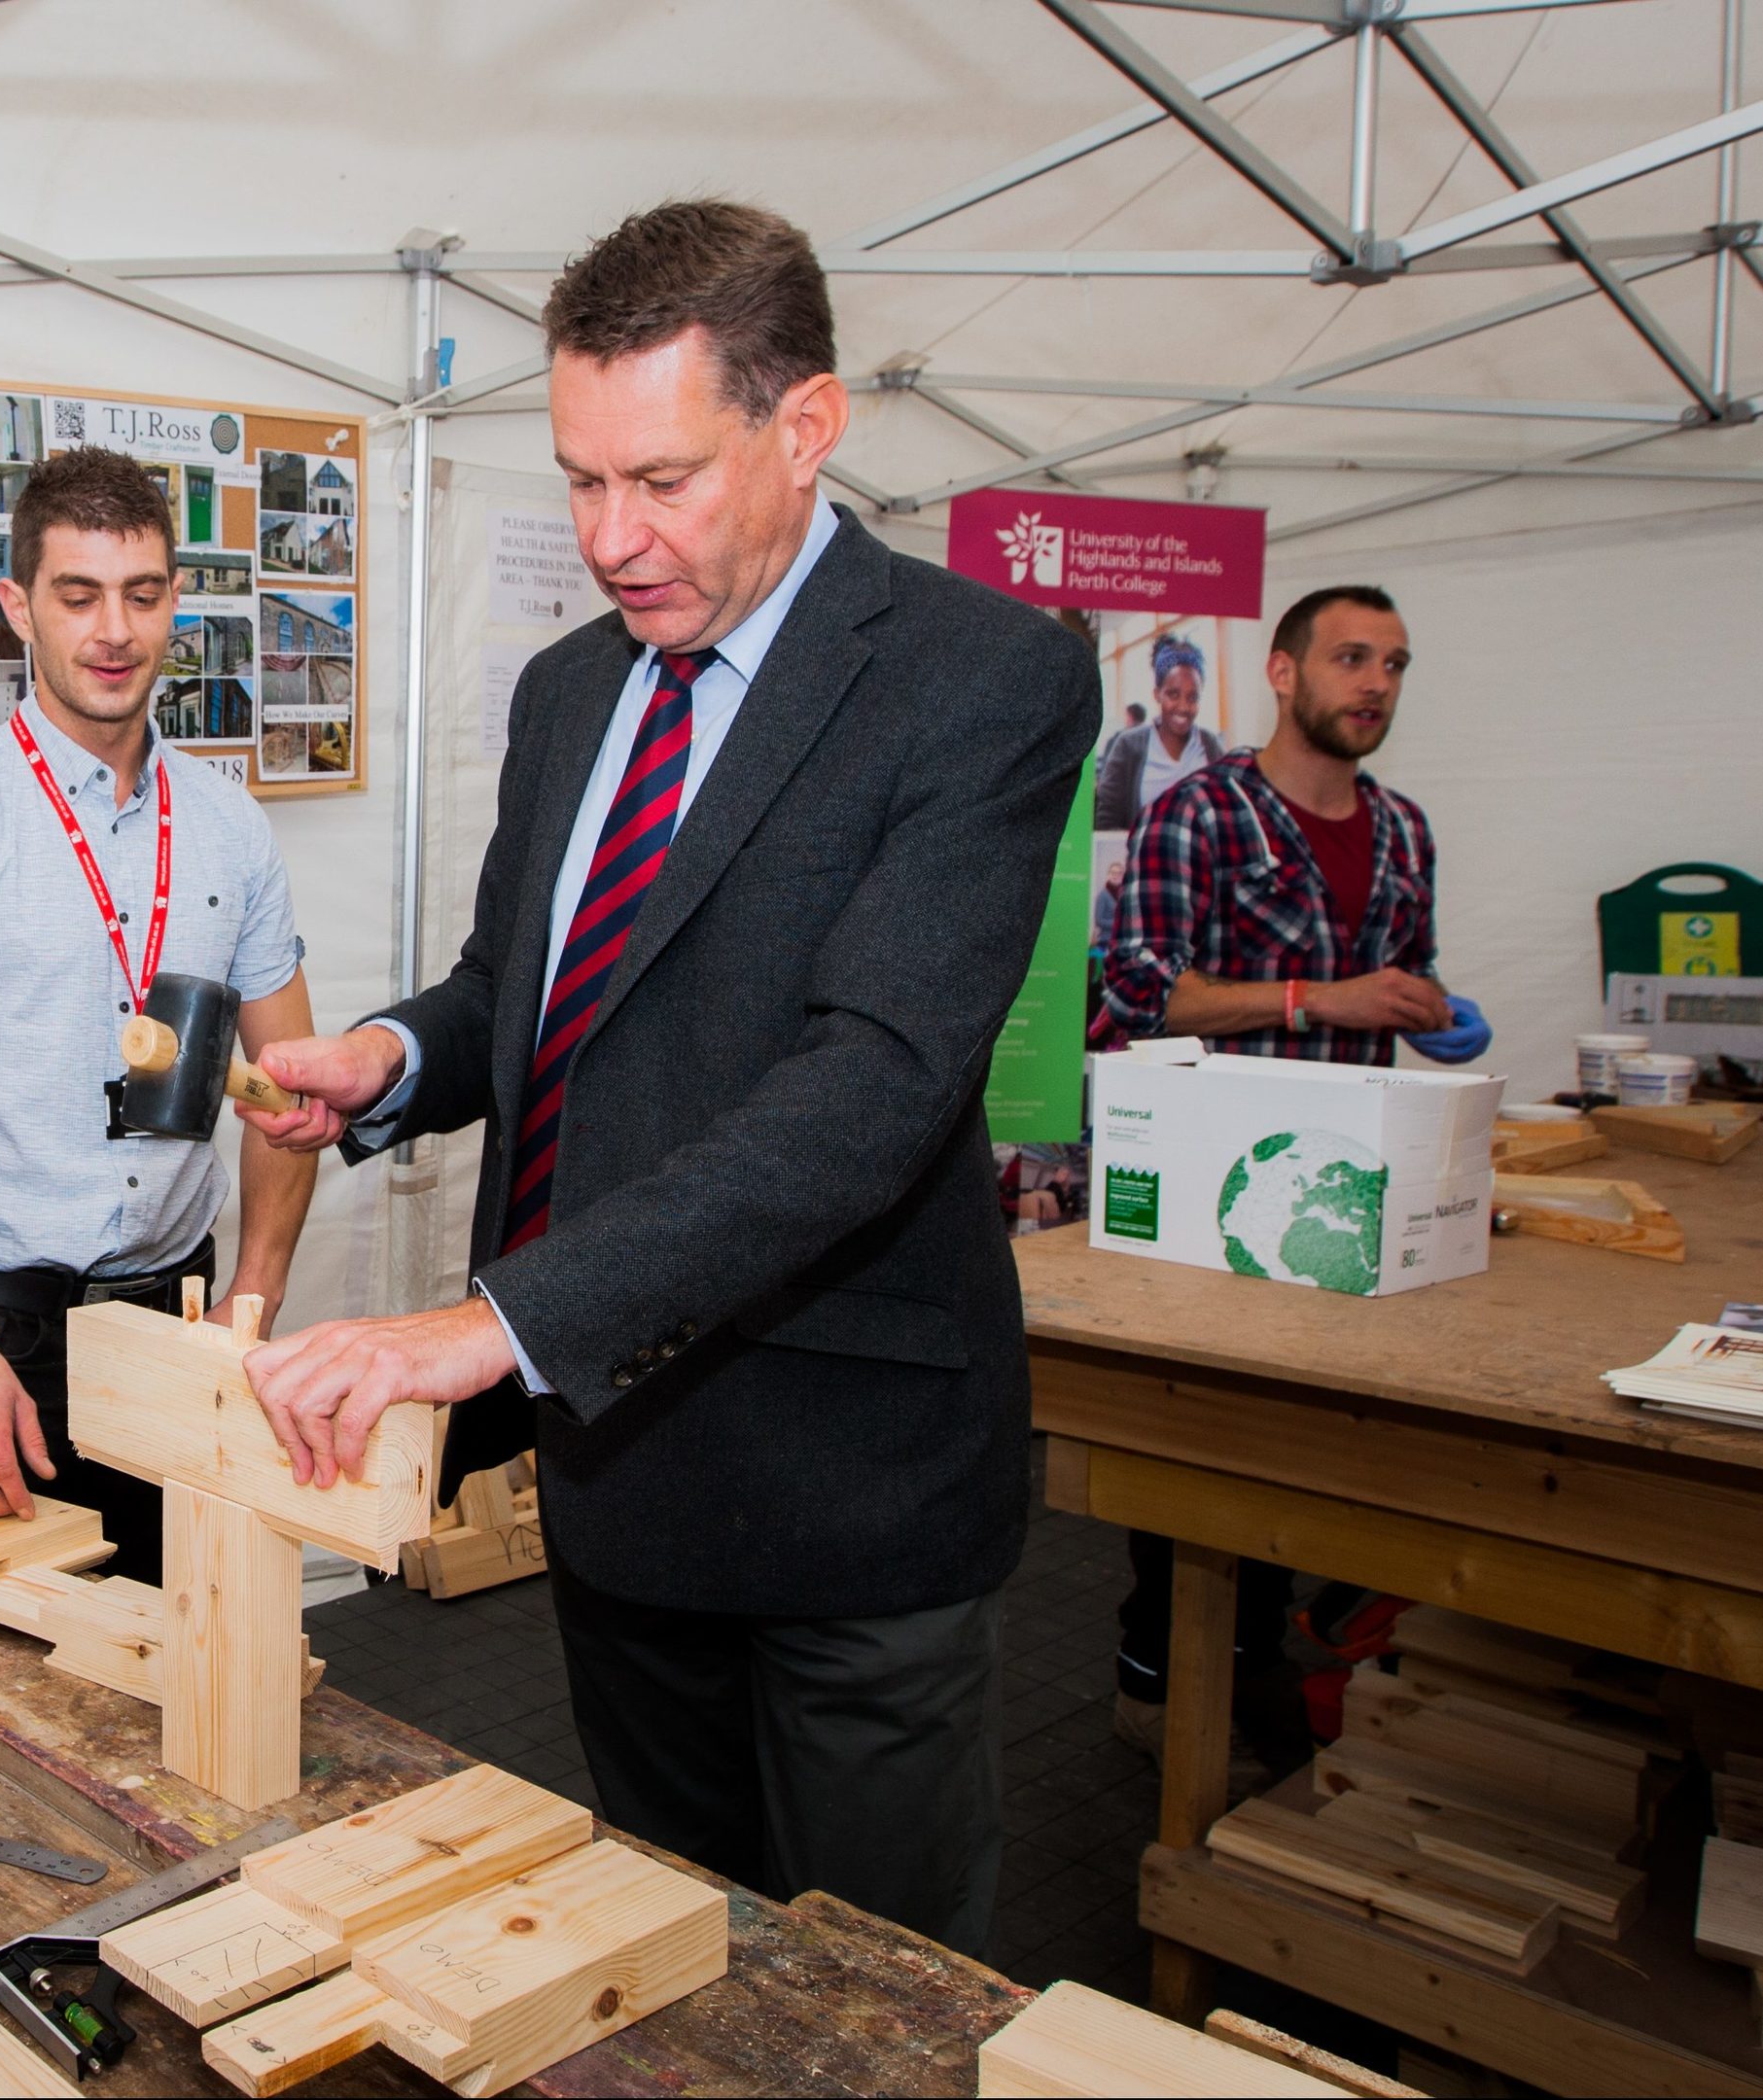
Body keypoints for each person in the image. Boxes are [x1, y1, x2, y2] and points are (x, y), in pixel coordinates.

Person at [234, 200, 1097, 1954]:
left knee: (881, 1995)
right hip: (620, 1468)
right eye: (576, 481)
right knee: (667, 1955)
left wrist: (484, 1325)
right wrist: (389, 1057)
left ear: (804, 425)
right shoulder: (571, 692)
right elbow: (529, 986)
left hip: (844, 1483)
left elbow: (868, 1088)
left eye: (661, 481)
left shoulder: (978, 680)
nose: (611, 539)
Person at [0, 446, 317, 1586]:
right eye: (77, 595)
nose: (112, 629)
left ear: (173, 602)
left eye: (142, 594)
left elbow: (290, 1088)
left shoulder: (227, 828)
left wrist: (249, 1305)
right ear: (19, 607)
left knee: (185, 1680)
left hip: (179, 1320)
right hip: (0, 1338)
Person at [1098, 582, 1489, 1763]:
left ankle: (1260, 1665)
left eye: (1396, 665)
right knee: (1194, 1461)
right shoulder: (1201, 816)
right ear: (1280, 672)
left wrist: (1430, 1014)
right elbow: (1139, 998)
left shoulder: (1406, 828)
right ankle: (1157, 1686)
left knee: (1310, 1452)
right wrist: (1322, 997)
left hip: (1347, 1203)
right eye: (1353, 658)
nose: (1376, 684)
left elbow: (1393, 984)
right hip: (1219, 1207)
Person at [1092, 632, 1225, 831]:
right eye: (1173, 694)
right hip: (1143, 859)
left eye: (1192, 697)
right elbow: (1107, 818)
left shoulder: (1209, 745)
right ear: (1157, 694)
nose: (1183, 707)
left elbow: (1225, 811)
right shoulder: (1129, 745)